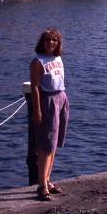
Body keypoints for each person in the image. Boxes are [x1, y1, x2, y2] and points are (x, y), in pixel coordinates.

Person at [30, 28, 69, 201]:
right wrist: (37, 110)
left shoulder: (58, 58)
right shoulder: (38, 61)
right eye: (47, 40)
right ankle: (41, 185)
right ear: (42, 42)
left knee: (54, 143)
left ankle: (48, 179)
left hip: (61, 97)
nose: (50, 43)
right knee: (45, 144)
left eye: (54, 40)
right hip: (48, 100)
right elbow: (35, 87)